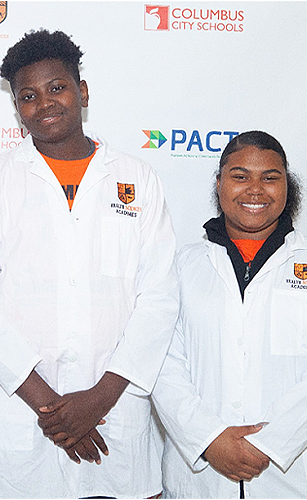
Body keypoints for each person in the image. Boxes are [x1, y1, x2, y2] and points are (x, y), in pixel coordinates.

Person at [0, 29, 178, 498]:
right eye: (27, 96)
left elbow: (158, 298)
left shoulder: (137, 179)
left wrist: (98, 400)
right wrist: (52, 408)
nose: (44, 103)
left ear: (83, 91)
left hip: (115, 416)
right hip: (24, 417)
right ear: (16, 108)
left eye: (57, 87)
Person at [152, 130, 307, 498]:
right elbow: (160, 362)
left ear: (288, 187)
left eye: (270, 177)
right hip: (201, 476)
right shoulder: (180, 266)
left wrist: (270, 444)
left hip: (290, 476)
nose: (256, 189)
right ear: (219, 183)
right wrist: (209, 439)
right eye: (240, 176)